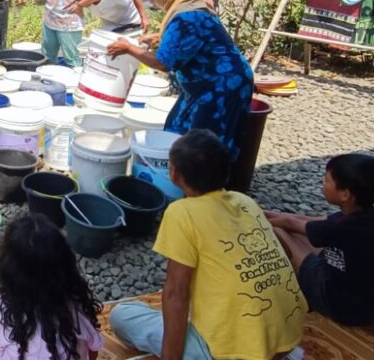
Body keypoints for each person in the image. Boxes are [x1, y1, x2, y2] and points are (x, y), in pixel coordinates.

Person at [111, 130, 305, 360]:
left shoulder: (181, 213)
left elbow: (176, 293)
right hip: (286, 341)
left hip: (233, 353)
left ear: (173, 173)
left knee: (122, 315)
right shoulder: (245, 202)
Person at [106, 0, 253, 155]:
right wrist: (160, 38)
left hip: (222, 86)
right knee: (176, 128)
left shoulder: (188, 14)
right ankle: (182, 179)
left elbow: (163, 63)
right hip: (204, 84)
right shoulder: (187, 1)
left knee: (202, 147)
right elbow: (191, 39)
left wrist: (129, 48)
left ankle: (203, 184)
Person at [267, 154, 374, 326]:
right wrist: (266, 213)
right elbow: (306, 220)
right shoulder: (368, 217)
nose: (323, 184)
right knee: (299, 233)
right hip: (370, 299)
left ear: (345, 194)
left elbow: (289, 223)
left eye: (326, 180)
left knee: (279, 232)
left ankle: (291, 295)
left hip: (344, 305)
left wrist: (257, 219)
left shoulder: (342, 228)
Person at [0, 213, 103, 360]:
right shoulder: (76, 309)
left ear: (10, 270)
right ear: (66, 266)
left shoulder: (5, 305)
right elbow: (94, 351)